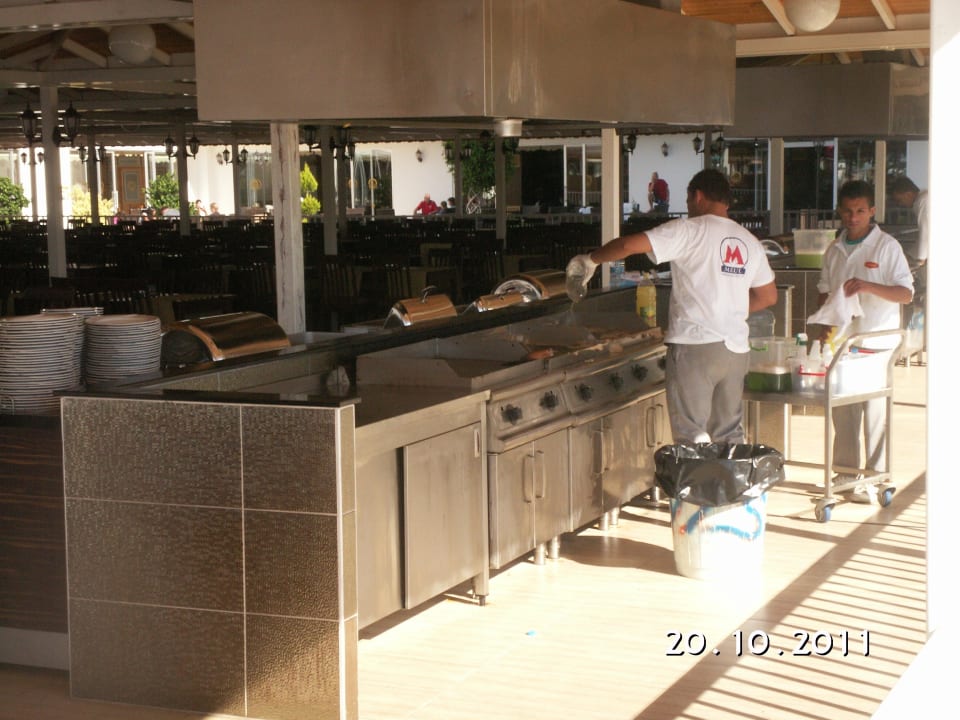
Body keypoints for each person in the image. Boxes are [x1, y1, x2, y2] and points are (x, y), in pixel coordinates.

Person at [566, 169, 777, 444]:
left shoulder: (689, 230)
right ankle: (731, 474)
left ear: (697, 196)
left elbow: (628, 244)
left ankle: (697, 475)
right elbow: (768, 296)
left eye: (688, 201)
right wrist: (728, 311)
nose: (688, 207)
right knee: (729, 434)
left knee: (692, 436)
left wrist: (591, 260)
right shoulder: (749, 241)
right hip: (736, 350)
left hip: (696, 346)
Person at [815, 180, 914, 503]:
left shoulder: (886, 247)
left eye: (860, 211)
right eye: (847, 211)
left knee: (875, 413)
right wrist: (823, 332)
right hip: (843, 344)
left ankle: (876, 475)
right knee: (843, 412)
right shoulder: (834, 249)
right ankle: (846, 473)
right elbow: (825, 292)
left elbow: (905, 293)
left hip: (876, 342)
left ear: (872, 211)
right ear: (839, 212)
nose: (853, 217)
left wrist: (869, 286)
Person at [889, 175, 928, 264]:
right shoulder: (923, 198)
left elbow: (926, 232)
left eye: (899, 200)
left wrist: (920, 258)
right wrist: (911, 254)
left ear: (908, 194)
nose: (900, 204)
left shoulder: (922, 201)